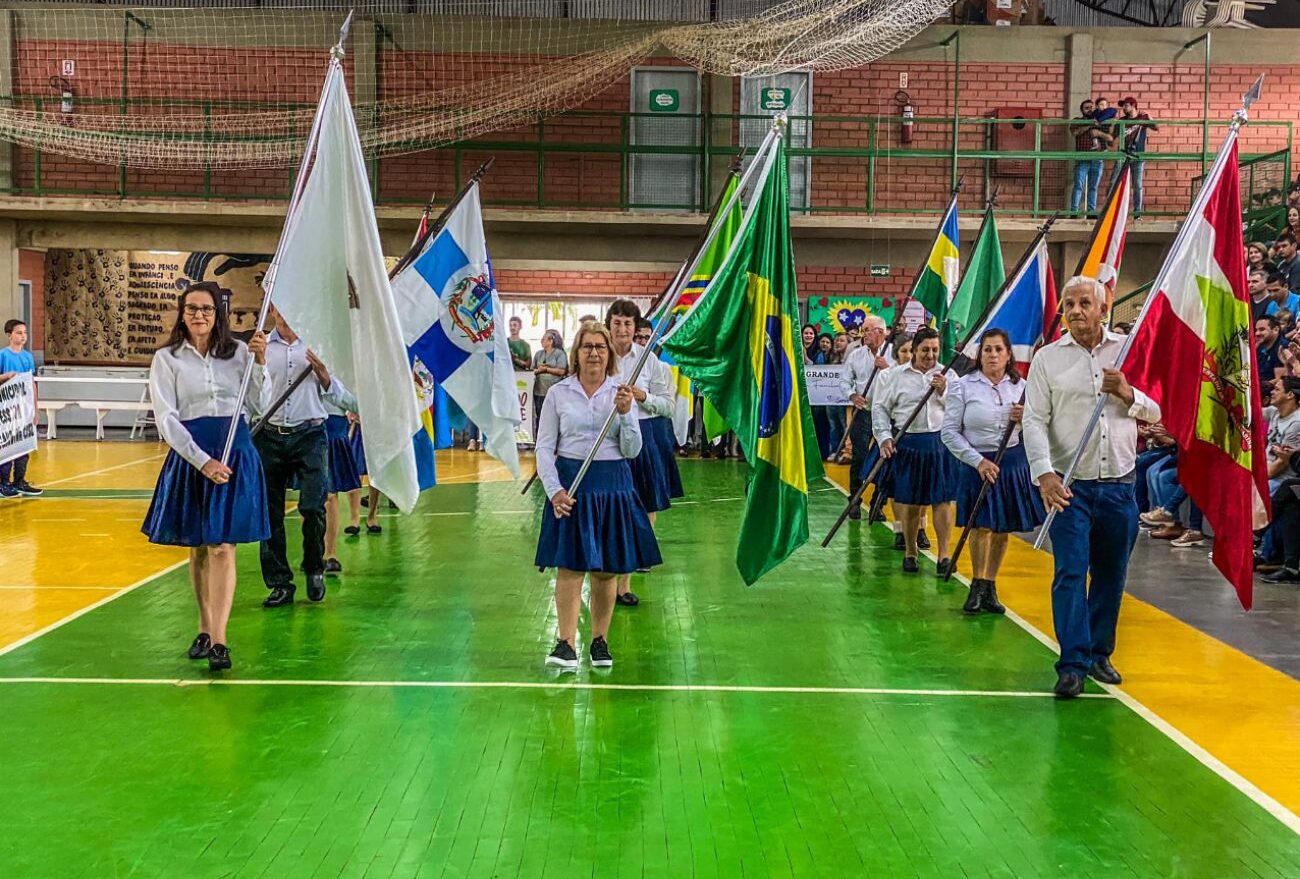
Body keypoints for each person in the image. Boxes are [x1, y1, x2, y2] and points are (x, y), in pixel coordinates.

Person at [1022, 275, 1161, 699]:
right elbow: (1033, 419)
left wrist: (1127, 393)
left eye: (1086, 302)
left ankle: (1100, 652)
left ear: (1104, 308)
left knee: (1110, 574)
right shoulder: (1047, 359)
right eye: (1070, 304)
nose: (1077, 310)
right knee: (1068, 572)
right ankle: (1072, 663)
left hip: (1120, 487)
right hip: (1070, 488)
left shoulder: (1129, 351)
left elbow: (1155, 410)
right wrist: (1044, 473)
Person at [141, 282, 270, 672]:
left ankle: (219, 640)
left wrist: (261, 365)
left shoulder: (240, 355)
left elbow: (259, 407)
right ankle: (204, 624)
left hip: (235, 453)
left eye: (207, 309)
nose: (199, 315)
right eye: (192, 308)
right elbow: (167, 418)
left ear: (219, 315)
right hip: (192, 455)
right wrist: (201, 461)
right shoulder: (167, 359)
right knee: (198, 547)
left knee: (222, 546)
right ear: (182, 313)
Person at [534, 321, 661, 670]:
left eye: (600, 347)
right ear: (576, 353)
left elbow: (632, 450)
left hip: (613, 485)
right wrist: (554, 490)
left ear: (609, 355)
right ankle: (565, 643)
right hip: (571, 486)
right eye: (587, 346)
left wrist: (625, 415)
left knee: (606, 570)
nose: (594, 352)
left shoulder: (621, 394)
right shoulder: (560, 394)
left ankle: (600, 641)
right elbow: (544, 448)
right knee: (570, 566)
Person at [941, 328, 1045, 614]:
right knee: (981, 526)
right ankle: (976, 582)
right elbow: (949, 432)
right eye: (987, 349)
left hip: (1010, 463)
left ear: (1008, 354)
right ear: (979, 354)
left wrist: (1026, 419)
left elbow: (1041, 427)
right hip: (977, 463)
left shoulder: (1022, 387)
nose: (993, 355)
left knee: (1001, 528)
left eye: (999, 349)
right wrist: (977, 461)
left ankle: (990, 584)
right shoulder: (963, 386)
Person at [257, 305, 351, 609]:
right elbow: (246, 394)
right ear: (271, 310)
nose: (285, 312)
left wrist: (324, 375)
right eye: (279, 307)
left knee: (313, 506)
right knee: (270, 514)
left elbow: (343, 396)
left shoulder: (318, 344)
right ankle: (279, 583)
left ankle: (314, 567)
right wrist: (257, 363)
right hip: (268, 436)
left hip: (310, 435)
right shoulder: (258, 346)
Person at [606, 300, 680, 606]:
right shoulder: (598, 354)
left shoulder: (650, 361)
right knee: (609, 506)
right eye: (617, 322)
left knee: (644, 504)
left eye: (628, 323)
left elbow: (668, 405)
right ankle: (604, 576)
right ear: (608, 324)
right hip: (606, 437)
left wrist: (643, 395)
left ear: (636, 328)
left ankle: (625, 583)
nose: (622, 329)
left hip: (646, 435)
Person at [871, 326, 955, 574]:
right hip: (906, 443)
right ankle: (910, 551)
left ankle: (944, 555)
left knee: (943, 500)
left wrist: (943, 391)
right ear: (914, 350)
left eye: (935, 350)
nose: (930, 355)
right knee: (910, 502)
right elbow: (880, 409)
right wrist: (884, 438)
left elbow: (960, 410)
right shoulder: (892, 376)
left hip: (940, 444)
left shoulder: (948, 376)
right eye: (925, 350)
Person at [839, 315, 894, 519]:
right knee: (859, 456)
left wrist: (887, 369)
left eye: (867, 330)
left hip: (888, 415)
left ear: (880, 332)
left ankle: (878, 503)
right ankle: (854, 499)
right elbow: (845, 380)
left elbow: (902, 378)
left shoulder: (893, 353)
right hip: (864, 412)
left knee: (884, 458)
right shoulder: (856, 355)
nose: (864, 335)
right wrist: (852, 395)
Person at [320, 375, 361, 575]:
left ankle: (330, 553)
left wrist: (327, 382)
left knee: (329, 493)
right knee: (308, 497)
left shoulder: (341, 362)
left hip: (333, 428)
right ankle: (313, 549)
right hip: (303, 426)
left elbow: (354, 402)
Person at [0, 319, 41, 497]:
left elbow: (30, 382)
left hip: (23, 408)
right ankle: (3, 483)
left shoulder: (27, 357)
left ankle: (19, 481)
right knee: (7, 445)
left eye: (25, 333)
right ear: (9, 335)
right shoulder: (3, 355)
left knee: (23, 445)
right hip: (6, 409)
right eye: (19, 333)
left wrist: (35, 408)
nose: (23, 336)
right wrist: (6, 376)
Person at [1112, 96, 1157, 216]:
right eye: (1123, 106)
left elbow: (1156, 127)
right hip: (1123, 156)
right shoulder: (1121, 121)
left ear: (1133, 105)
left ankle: (1137, 213)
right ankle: (1113, 211)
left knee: (1137, 185)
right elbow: (1113, 141)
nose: (1123, 108)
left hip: (1138, 156)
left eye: (1126, 105)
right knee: (1114, 182)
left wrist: (1149, 116)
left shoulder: (1143, 117)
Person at [1068, 99, 1103, 216]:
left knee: (1093, 187)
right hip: (1083, 157)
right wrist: (1089, 125)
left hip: (1097, 158)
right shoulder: (1077, 121)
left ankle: (1091, 212)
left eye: (1091, 107)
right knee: (1078, 185)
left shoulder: (1100, 120)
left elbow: (1110, 135)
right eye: (1086, 108)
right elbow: (1075, 133)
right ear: (1082, 110)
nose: (1089, 110)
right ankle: (1074, 211)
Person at [532, 328, 567, 438]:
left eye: (544, 339)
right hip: (539, 391)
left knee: (553, 417)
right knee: (540, 415)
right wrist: (538, 371)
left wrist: (546, 370)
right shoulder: (538, 354)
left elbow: (562, 371)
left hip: (554, 391)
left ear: (550, 341)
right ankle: (539, 439)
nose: (541, 341)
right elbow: (532, 369)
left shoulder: (559, 354)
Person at [1256, 315, 1285, 383]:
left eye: (1262, 329)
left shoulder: (1283, 348)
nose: (1256, 333)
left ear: (1276, 330)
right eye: (1256, 330)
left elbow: (1279, 381)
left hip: (1269, 391)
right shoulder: (1260, 348)